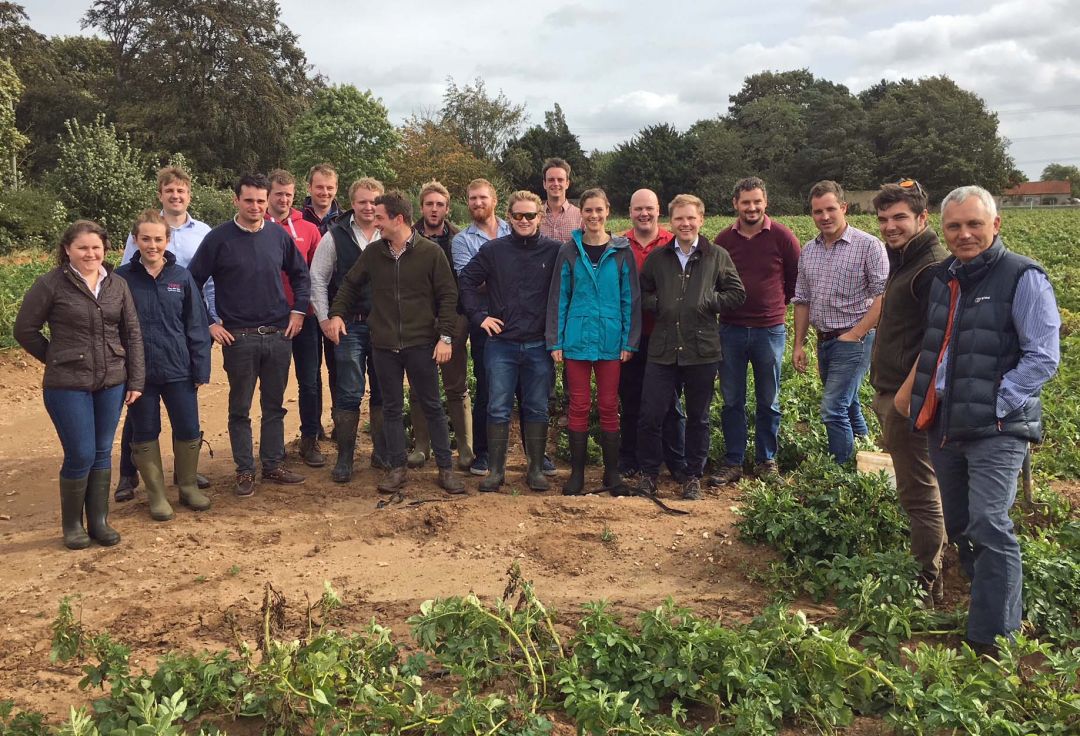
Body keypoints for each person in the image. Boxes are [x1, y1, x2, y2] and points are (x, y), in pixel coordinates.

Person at [900, 185, 1060, 654]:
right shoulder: (945, 276)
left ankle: (994, 638)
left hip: (997, 427)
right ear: (943, 229)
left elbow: (1043, 357)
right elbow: (938, 344)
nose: (964, 234)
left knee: (990, 522)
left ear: (996, 225)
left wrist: (997, 403)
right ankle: (989, 607)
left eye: (974, 224)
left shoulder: (1022, 276)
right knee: (962, 523)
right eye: (954, 226)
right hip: (946, 420)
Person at [15, 220, 144, 548]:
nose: (90, 253)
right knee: (81, 453)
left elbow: (132, 334)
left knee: (102, 452)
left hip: (112, 381)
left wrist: (136, 379)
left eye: (96, 247)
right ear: (67, 250)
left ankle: (98, 522)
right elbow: (25, 329)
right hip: (67, 385)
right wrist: (56, 357)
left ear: (105, 249)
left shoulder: (117, 284)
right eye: (83, 248)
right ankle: (72, 525)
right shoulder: (51, 285)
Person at [326, 191, 464, 494]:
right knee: (391, 408)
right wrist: (336, 314)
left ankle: (446, 469)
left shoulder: (430, 253)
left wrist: (445, 337)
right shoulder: (374, 253)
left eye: (380, 218)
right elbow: (349, 284)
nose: (375, 223)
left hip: (421, 344)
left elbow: (448, 296)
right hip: (384, 345)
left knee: (432, 407)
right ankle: (397, 468)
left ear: (397, 219)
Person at [187, 173, 311, 497]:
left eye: (260, 200)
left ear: (267, 200)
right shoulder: (218, 239)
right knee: (240, 407)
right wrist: (210, 323)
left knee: (275, 405)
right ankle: (245, 471)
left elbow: (300, 275)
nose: (255, 206)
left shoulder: (278, 236)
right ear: (236, 201)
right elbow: (192, 282)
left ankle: (272, 464)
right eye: (248, 200)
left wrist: (298, 311)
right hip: (238, 338)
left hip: (277, 335)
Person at [869, 180, 948, 604]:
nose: (890, 226)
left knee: (919, 491)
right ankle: (933, 567)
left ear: (922, 218)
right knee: (920, 486)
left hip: (911, 399)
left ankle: (926, 584)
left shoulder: (929, 267)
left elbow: (938, 342)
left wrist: (903, 398)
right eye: (883, 219)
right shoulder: (904, 260)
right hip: (897, 392)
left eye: (899, 217)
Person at [636, 194, 745, 500]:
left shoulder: (716, 256)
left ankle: (692, 475)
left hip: (702, 349)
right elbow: (641, 293)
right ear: (671, 222)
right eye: (679, 218)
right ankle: (648, 473)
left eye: (691, 218)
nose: (685, 223)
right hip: (663, 348)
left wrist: (709, 301)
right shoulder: (659, 258)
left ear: (701, 219)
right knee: (651, 414)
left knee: (698, 417)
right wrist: (659, 304)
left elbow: (737, 293)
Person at [115, 165, 213, 501]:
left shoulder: (182, 275)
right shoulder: (123, 278)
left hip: (178, 365)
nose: (152, 244)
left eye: (158, 239)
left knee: (187, 426)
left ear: (166, 241)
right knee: (144, 429)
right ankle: (151, 491)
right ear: (136, 240)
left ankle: (186, 485)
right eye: (146, 239)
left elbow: (196, 324)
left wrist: (200, 366)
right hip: (140, 369)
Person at [458, 191, 562, 491]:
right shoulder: (494, 251)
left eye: (530, 215)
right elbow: (465, 281)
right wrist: (479, 317)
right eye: (518, 215)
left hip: (538, 345)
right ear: (510, 217)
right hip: (501, 344)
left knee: (537, 407)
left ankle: (535, 470)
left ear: (539, 217)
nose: (524, 220)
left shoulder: (554, 251)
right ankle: (496, 470)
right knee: (497, 407)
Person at [548, 188, 639, 495]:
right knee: (578, 404)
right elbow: (559, 298)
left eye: (599, 210)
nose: (594, 216)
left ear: (608, 211)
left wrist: (629, 341)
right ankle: (577, 475)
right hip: (576, 339)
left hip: (611, 342)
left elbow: (630, 299)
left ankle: (611, 476)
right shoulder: (569, 251)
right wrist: (555, 340)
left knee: (610, 405)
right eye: (588, 211)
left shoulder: (622, 251)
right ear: (581, 214)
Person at [792, 180, 888, 465]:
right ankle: (868, 461)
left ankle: (842, 470)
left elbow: (884, 296)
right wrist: (799, 343)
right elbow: (802, 299)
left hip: (854, 340)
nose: (824, 216)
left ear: (844, 208)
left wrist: (855, 334)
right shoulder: (809, 250)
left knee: (833, 408)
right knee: (849, 404)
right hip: (824, 340)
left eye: (830, 209)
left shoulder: (868, 246)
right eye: (817, 211)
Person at [712, 177, 800, 483]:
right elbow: (714, 282)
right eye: (746, 202)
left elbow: (794, 280)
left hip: (769, 329)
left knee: (769, 398)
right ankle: (734, 460)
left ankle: (766, 460)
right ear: (735, 204)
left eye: (757, 201)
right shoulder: (723, 240)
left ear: (766, 203)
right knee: (732, 399)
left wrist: (775, 305)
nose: (752, 208)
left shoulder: (782, 237)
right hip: (731, 330)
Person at [309, 177, 388, 482]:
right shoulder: (335, 236)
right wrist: (326, 319)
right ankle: (345, 459)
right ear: (352, 203)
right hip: (349, 327)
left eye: (374, 201)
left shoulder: (391, 233)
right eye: (362, 201)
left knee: (383, 390)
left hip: (385, 327)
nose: (368, 207)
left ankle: (381, 455)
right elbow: (317, 278)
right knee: (349, 392)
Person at [618, 189, 687, 482]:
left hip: (667, 337)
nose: (643, 214)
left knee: (669, 402)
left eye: (649, 208)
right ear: (630, 211)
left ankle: (674, 460)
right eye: (638, 209)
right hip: (629, 335)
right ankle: (630, 457)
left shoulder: (673, 243)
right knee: (630, 398)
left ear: (659, 211)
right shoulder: (619, 244)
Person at [407, 181, 474, 472]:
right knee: (420, 385)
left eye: (440, 205)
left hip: (454, 319)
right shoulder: (406, 237)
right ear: (421, 207)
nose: (434, 209)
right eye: (429, 204)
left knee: (456, 384)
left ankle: (466, 448)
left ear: (447, 208)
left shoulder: (458, 238)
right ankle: (422, 446)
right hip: (417, 322)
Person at [266, 169, 326, 468]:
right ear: (268, 194)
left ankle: (310, 439)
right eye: (279, 193)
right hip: (269, 320)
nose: (284, 199)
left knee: (310, 382)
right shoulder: (256, 226)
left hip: (305, 317)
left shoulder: (309, 230)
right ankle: (273, 447)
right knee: (273, 386)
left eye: (289, 194)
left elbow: (316, 276)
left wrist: (305, 310)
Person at [452, 179, 511, 476]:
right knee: (488, 387)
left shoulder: (514, 228)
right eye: (472, 198)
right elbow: (471, 283)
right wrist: (511, 280)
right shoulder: (462, 240)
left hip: (520, 319)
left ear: (495, 200)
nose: (477, 203)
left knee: (526, 391)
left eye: (483, 197)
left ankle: (535, 458)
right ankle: (484, 453)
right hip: (484, 322)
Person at [539, 157, 582, 242]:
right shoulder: (535, 216)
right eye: (551, 180)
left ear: (567, 183)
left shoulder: (580, 216)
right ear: (544, 184)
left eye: (560, 180)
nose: (555, 183)